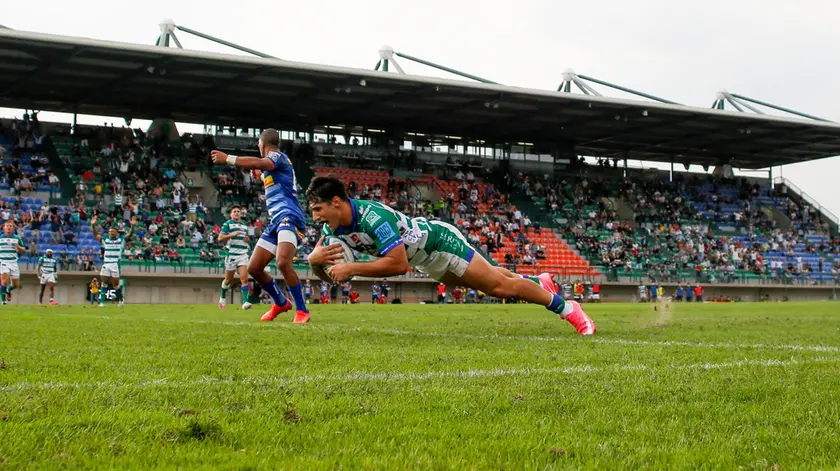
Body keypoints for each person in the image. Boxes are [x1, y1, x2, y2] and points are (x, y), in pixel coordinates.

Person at [305, 177, 595, 335]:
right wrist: (313, 261)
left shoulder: (374, 218)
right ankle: (536, 280)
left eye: (318, 210)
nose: (316, 217)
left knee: (496, 287)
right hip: (426, 259)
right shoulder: (334, 229)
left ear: (336, 202)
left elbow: (397, 264)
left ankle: (567, 308)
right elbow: (329, 272)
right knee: (487, 280)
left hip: (439, 244)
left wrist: (352, 269)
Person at [211, 129, 310, 323]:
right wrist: (260, 175)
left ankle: (302, 310)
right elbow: (267, 171)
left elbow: (262, 162)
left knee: (282, 262)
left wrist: (228, 159)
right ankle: (281, 302)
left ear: (262, 144)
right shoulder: (273, 166)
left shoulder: (276, 156)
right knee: (254, 268)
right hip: (276, 221)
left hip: (289, 216)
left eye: (258, 144)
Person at [91, 216, 134, 307]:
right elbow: (96, 235)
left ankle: (121, 299)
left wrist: (132, 226)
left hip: (115, 264)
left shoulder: (121, 240)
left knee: (115, 285)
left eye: (112, 231)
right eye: (109, 231)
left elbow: (129, 235)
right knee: (104, 282)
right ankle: (102, 302)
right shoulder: (105, 240)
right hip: (106, 263)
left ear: (116, 232)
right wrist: (93, 225)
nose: (110, 232)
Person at [217, 205, 252, 310]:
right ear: (231, 214)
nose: (237, 213)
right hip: (231, 254)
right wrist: (231, 235)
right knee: (228, 279)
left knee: (244, 279)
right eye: (234, 211)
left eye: (238, 211)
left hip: (243, 254)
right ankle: (222, 297)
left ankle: (245, 302)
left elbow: (248, 240)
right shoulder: (227, 224)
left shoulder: (245, 226)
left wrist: (247, 240)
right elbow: (220, 238)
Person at [0, 221, 25, 305]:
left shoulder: (17, 238)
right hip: (3, 262)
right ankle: (3, 302)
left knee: (15, 285)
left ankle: (8, 290)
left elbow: (23, 250)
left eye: (10, 226)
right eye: (7, 226)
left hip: (14, 263)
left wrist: (18, 247)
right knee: (4, 281)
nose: (9, 227)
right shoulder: (0, 237)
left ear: (13, 228)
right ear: (4, 227)